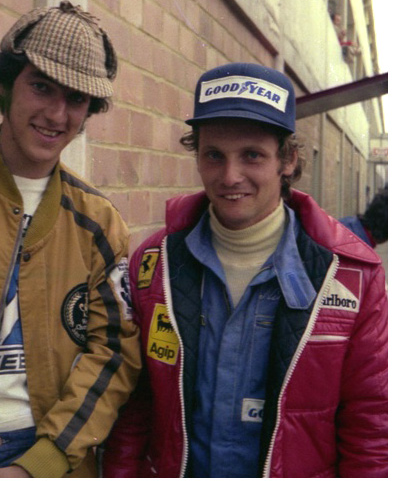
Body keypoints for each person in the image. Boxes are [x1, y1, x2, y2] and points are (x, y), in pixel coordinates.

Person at [103, 63, 387, 478]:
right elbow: (135, 406)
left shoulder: (352, 273)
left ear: (286, 160)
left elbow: (370, 423)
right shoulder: (154, 263)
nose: (230, 177)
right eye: (214, 155)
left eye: (251, 155)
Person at [0, 1, 141, 478]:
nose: (57, 114)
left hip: (48, 455)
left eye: (77, 98)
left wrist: (37, 466)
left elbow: (114, 353)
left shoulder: (99, 224)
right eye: (41, 86)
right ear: (4, 84)